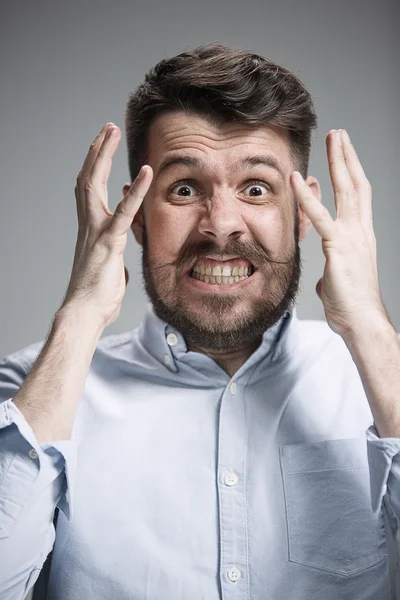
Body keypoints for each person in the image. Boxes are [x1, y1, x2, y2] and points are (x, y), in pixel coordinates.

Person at [1, 42, 400, 600]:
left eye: (256, 188)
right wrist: (78, 319)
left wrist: (373, 334)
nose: (221, 226)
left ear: (305, 214)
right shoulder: (29, 394)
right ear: (134, 218)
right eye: (185, 189)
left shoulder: (380, 385)